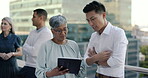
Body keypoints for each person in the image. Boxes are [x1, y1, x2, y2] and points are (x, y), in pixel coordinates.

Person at [83, 1, 128, 78]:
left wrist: (95, 60)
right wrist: (97, 57)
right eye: (88, 20)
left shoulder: (118, 33)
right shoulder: (94, 36)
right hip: (97, 75)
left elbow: (118, 61)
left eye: (93, 19)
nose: (90, 24)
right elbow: (86, 61)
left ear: (103, 15)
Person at [17, 9, 53, 78]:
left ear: (41, 18)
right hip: (28, 67)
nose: (32, 19)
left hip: (36, 69)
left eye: (34, 17)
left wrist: (27, 47)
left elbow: (34, 52)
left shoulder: (46, 33)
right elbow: (23, 48)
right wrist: (28, 48)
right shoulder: (32, 32)